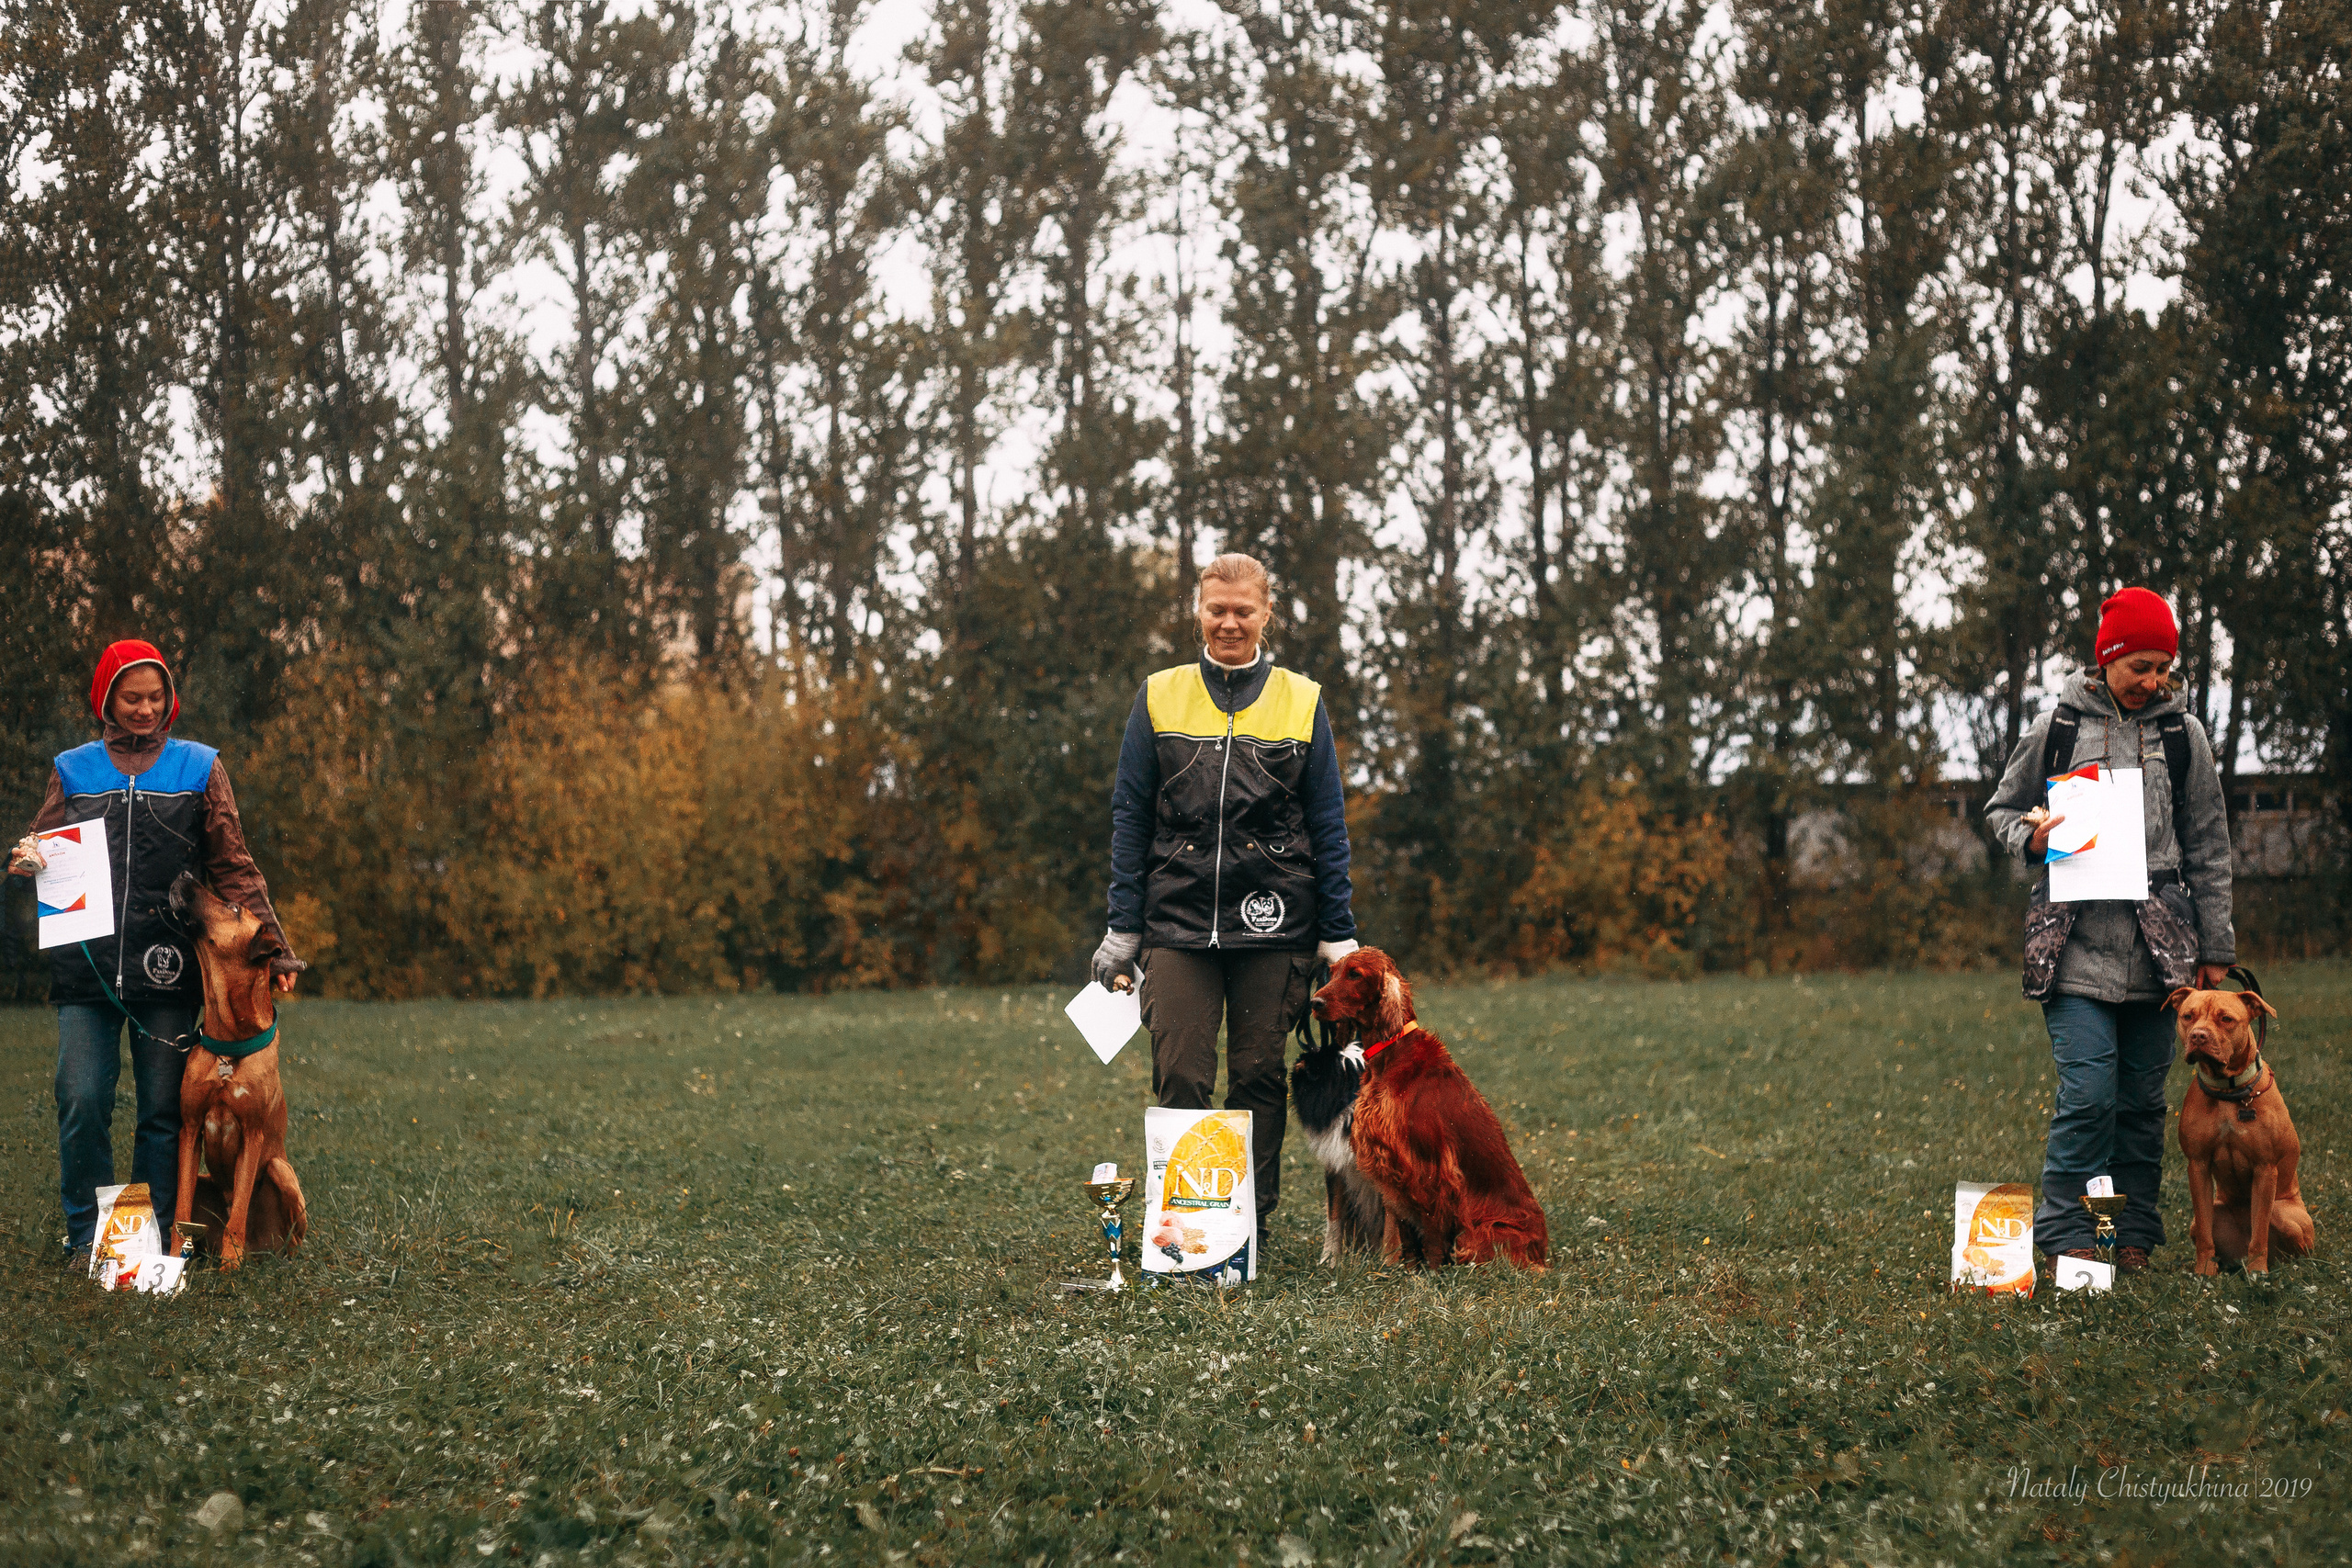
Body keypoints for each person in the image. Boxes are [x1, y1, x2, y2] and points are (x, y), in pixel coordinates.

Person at [1091, 555, 1360, 1250]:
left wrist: (1339, 935)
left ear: (1267, 614)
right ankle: (1191, 1230)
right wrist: (1122, 927)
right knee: (1180, 1068)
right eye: (1217, 609)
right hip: (1174, 923)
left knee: (1260, 1073)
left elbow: (1328, 824)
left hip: (1277, 925)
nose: (1230, 621)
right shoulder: (1159, 694)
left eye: (1244, 609)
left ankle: (1248, 1225)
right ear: (1198, 612)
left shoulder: (1303, 699)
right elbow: (1130, 816)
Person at [7, 641, 304, 1264]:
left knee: (162, 1111)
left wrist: (276, 952)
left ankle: (137, 1247)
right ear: (106, 700)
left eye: (155, 696)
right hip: (85, 967)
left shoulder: (200, 767)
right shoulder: (74, 767)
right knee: (82, 1096)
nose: (144, 708)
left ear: (169, 699)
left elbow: (234, 865)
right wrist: (28, 855)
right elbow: (41, 841)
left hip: (168, 969)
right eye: (131, 696)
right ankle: (86, 1234)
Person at [1984, 588, 2235, 1274]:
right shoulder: (2057, 726)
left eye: (2166, 667)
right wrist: (2031, 841)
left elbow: (2209, 846)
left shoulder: (2185, 737)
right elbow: (2002, 809)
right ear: (2109, 659)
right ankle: (2067, 1235)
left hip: (2163, 962)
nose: (2155, 680)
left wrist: (2215, 950)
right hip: (2072, 953)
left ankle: (2130, 1236)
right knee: (2088, 1095)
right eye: (2142, 666)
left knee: (2140, 1104)